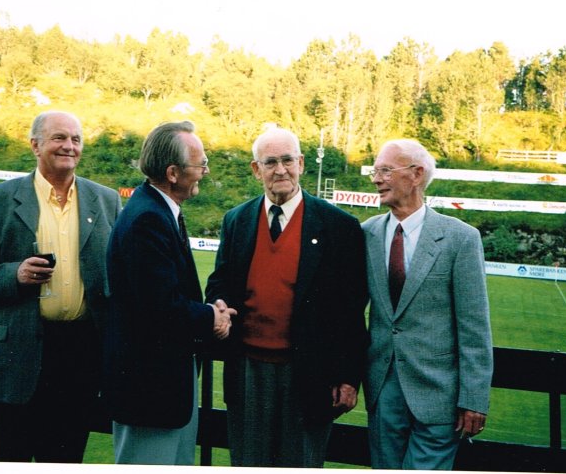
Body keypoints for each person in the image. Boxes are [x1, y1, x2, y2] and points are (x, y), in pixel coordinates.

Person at [0, 111, 122, 463]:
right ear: (35, 145)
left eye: (76, 139)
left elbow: (119, 275)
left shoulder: (105, 200)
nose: (69, 146)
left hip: (81, 354)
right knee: (11, 456)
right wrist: (13, 275)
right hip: (18, 350)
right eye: (59, 138)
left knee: (65, 457)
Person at [205, 126, 368, 467]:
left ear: (302, 163)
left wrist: (348, 376)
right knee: (249, 461)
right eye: (271, 162)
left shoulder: (338, 226)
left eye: (287, 160)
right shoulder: (237, 220)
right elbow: (220, 280)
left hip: (309, 373)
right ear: (256, 169)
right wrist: (219, 302)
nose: (280, 170)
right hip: (248, 371)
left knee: (300, 463)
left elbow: (352, 309)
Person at [103, 120, 236, 465]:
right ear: (173, 172)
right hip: (150, 391)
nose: (205, 172)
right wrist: (212, 316)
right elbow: (160, 307)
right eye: (201, 164)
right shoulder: (149, 218)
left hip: (161, 388)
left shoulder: (158, 210)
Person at [363, 139, 493, 470]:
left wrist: (474, 399)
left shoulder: (460, 238)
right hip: (382, 393)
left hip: (439, 398)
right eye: (375, 171)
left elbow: (474, 326)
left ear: (417, 174)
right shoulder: (366, 234)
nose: (377, 179)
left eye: (386, 170)